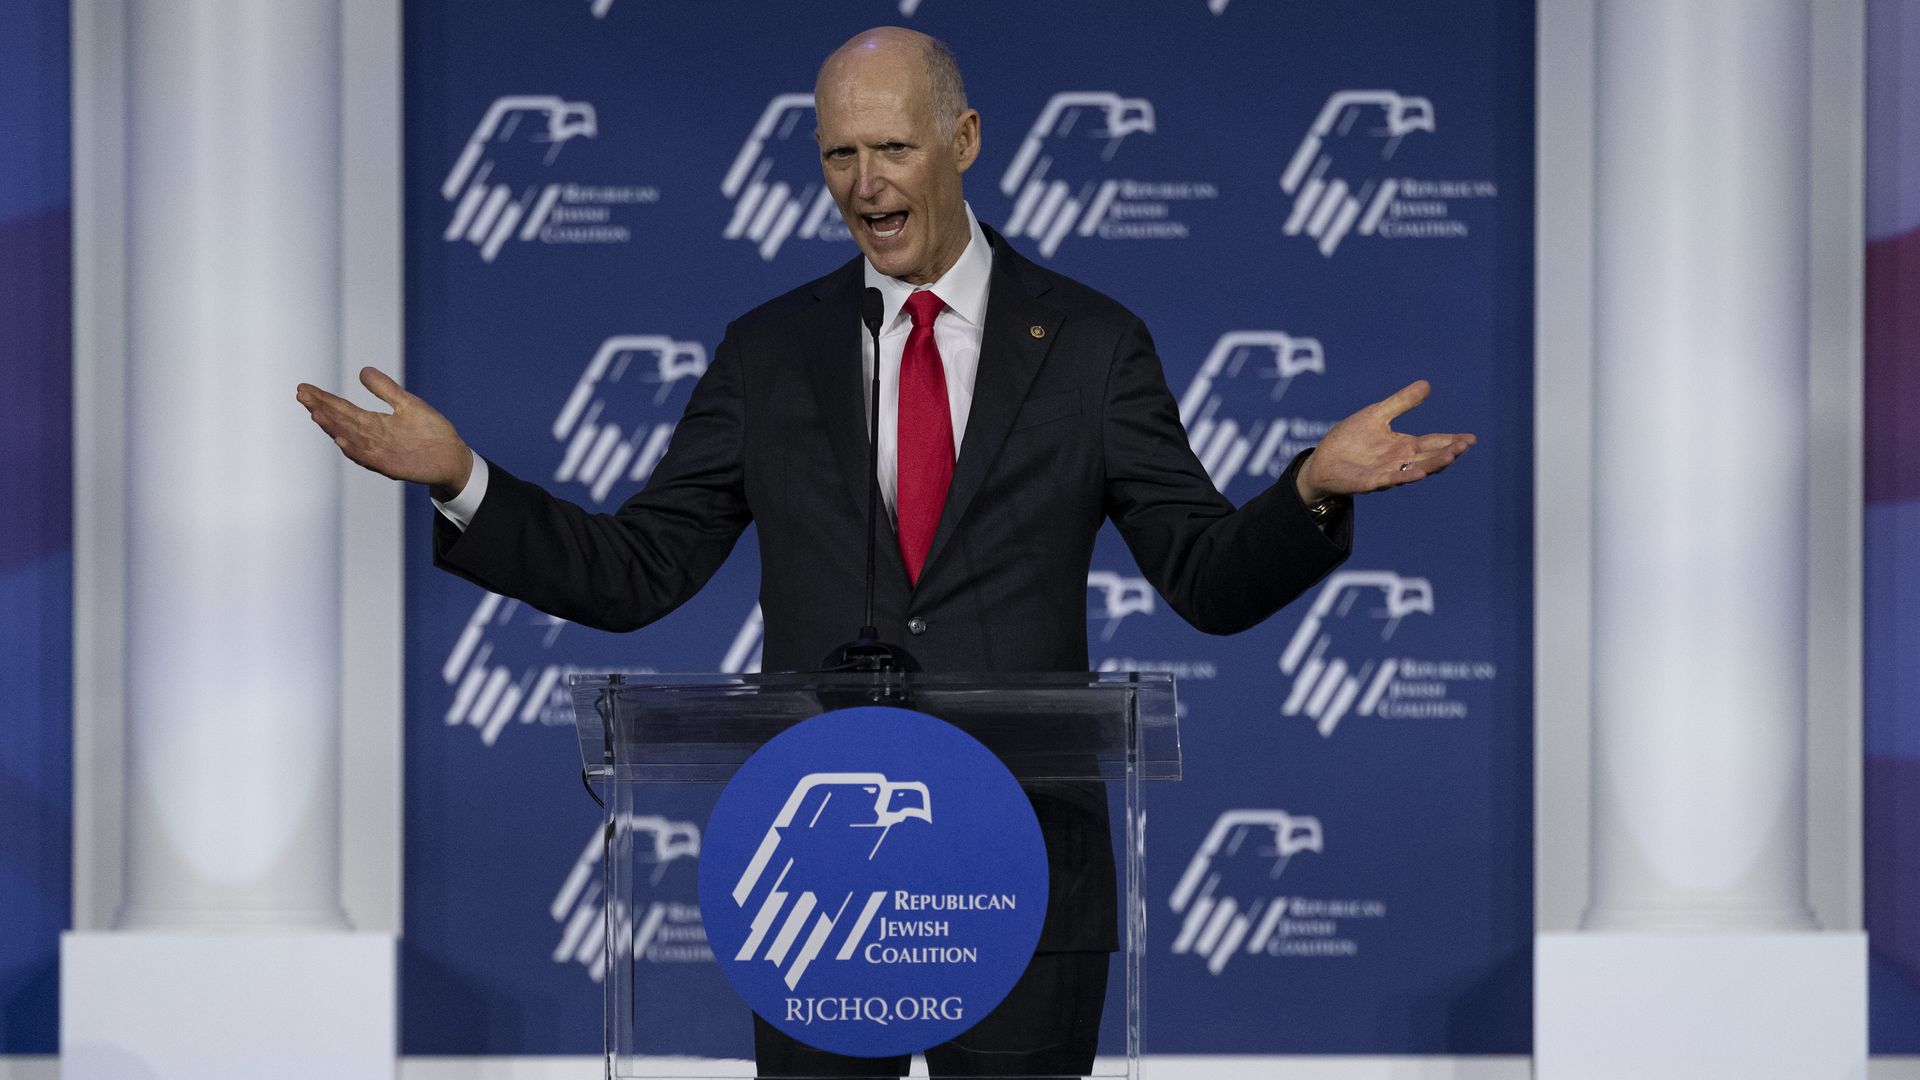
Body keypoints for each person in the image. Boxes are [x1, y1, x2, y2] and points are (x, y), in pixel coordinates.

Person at [298, 26, 1474, 1079]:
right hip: (819, 870)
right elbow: (638, 569)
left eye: (894, 149)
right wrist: (464, 480)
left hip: (1026, 865)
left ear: (963, 140)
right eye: (838, 157)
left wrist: (1311, 491)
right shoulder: (772, 352)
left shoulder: (1090, 346)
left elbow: (1206, 579)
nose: (866, 186)